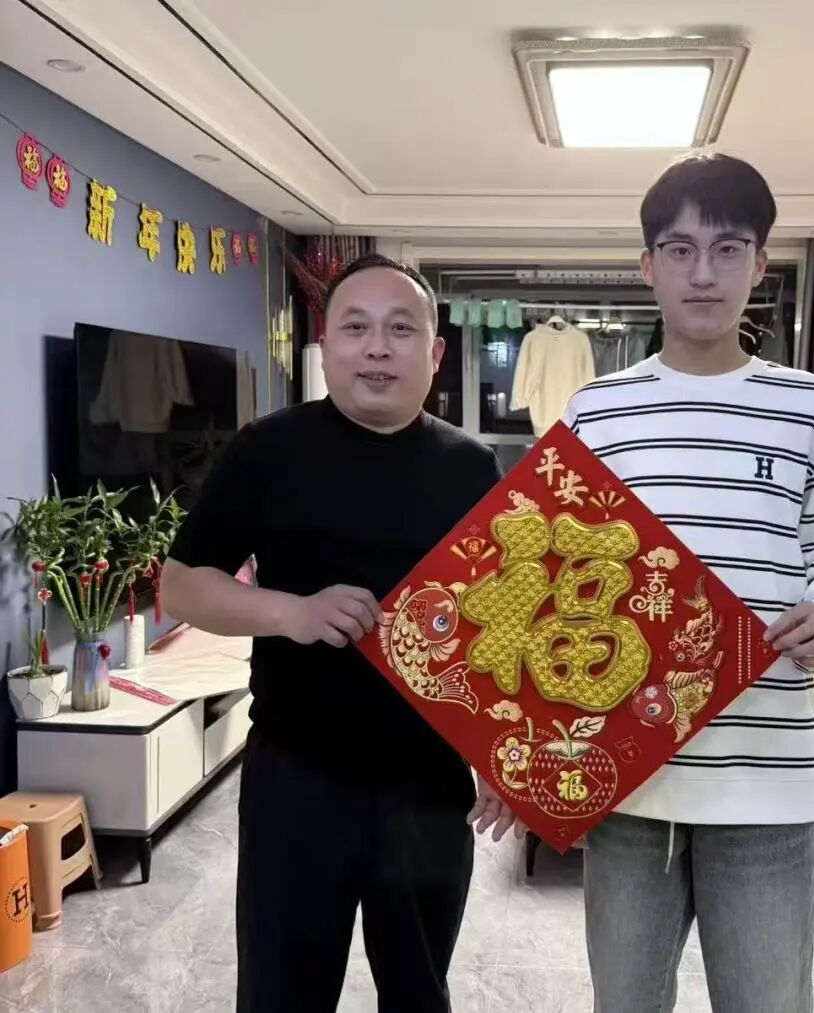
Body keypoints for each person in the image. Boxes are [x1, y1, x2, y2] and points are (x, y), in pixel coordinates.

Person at [561, 154, 814, 1012]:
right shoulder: (596, 411)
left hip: (768, 780)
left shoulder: (810, 406)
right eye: (680, 249)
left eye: (728, 248)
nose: (703, 272)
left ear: (760, 264)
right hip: (628, 775)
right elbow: (560, 587)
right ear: (648, 266)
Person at [161, 253, 518, 1012]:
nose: (377, 348)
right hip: (298, 779)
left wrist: (503, 755)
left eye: (400, 329)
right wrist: (289, 612)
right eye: (356, 328)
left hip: (427, 784)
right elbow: (183, 585)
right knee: (281, 995)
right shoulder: (268, 449)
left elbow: (503, 625)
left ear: (435, 352)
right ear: (326, 346)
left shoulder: (472, 467)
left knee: (419, 993)